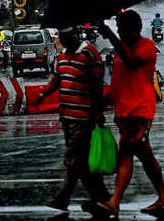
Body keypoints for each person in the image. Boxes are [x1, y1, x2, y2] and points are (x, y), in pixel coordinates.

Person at [95, 10, 164, 216]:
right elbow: (118, 82)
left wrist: (109, 35)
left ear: (130, 28)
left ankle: (115, 201)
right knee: (145, 156)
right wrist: (102, 104)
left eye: (120, 27)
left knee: (126, 152)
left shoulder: (146, 46)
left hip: (140, 110)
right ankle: (163, 195)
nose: (118, 31)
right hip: (123, 112)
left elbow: (131, 62)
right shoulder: (119, 51)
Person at [36, 27, 110, 212]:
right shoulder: (62, 56)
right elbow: (57, 78)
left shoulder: (89, 54)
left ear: (75, 36)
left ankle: (63, 198)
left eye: (66, 36)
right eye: (62, 36)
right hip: (66, 117)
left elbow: (97, 86)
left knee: (72, 158)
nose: (62, 39)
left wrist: (98, 112)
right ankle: (102, 198)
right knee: (83, 162)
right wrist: (44, 93)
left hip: (84, 118)